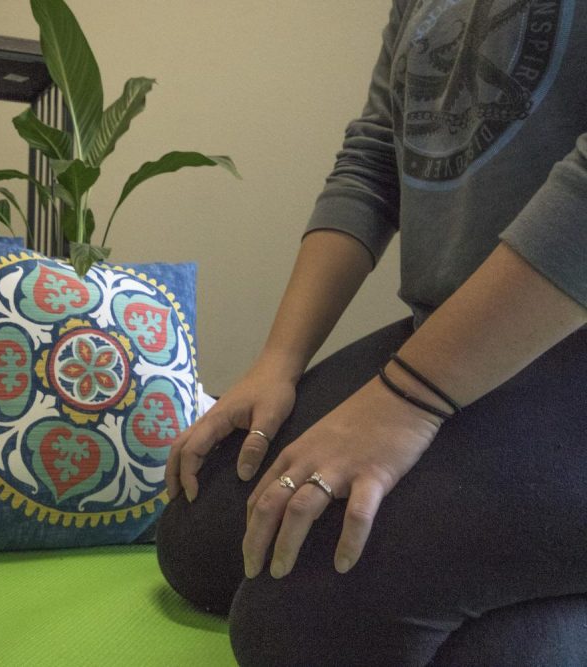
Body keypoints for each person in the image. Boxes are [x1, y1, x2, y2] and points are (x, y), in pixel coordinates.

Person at [155, 0, 587, 664]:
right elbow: (372, 161)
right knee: (202, 525)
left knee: (302, 622)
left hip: (566, 363)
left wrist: (410, 396)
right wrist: (277, 361)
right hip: (457, 345)